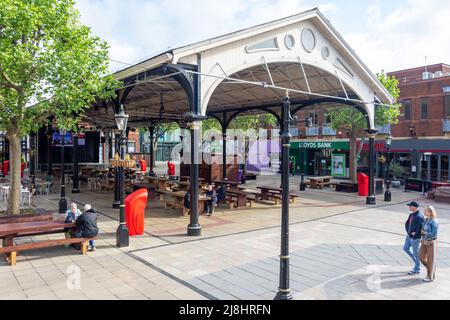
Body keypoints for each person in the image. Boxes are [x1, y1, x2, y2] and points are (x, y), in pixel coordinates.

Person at [403, 201, 425, 275]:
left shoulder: (419, 216)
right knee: (405, 248)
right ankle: (417, 262)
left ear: (414, 207)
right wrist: (409, 233)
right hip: (409, 236)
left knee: (416, 253)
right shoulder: (411, 215)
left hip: (415, 238)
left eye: (410, 206)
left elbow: (422, 227)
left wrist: (415, 234)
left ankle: (417, 268)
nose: (409, 207)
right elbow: (407, 224)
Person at [420, 205, 439, 282]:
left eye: (426, 211)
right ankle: (431, 268)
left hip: (431, 242)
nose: (424, 212)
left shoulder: (434, 221)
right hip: (424, 241)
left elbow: (434, 234)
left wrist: (425, 233)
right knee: (421, 257)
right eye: (425, 210)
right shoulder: (426, 220)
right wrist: (422, 233)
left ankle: (430, 276)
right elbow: (423, 229)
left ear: (430, 212)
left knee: (431, 259)